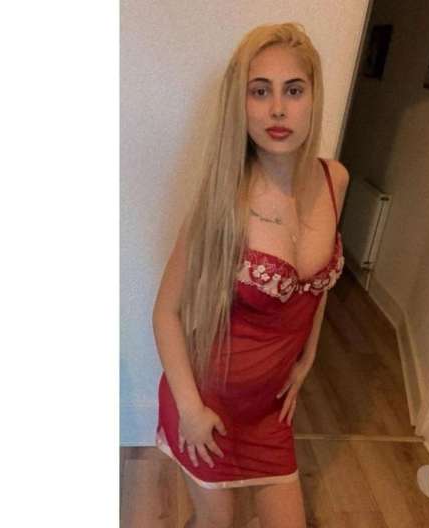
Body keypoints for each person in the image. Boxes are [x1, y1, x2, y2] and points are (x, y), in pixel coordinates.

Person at [151, 22, 350, 528]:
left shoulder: (335, 180)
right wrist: (190, 410)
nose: (278, 109)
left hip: (267, 412)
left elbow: (318, 285)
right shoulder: (224, 203)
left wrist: (308, 356)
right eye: (260, 92)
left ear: (314, 97)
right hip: (206, 400)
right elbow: (166, 313)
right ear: (240, 104)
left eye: (293, 90)